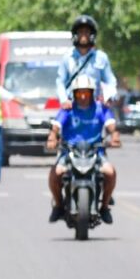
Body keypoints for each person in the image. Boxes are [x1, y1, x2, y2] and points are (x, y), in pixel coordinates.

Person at [46, 74, 121, 223]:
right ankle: (59, 205)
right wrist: (52, 137)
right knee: (56, 173)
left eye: (86, 92)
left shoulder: (100, 108)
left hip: (95, 152)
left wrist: (114, 136)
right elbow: (56, 126)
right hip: (70, 152)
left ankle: (105, 206)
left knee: (110, 172)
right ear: (74, 93)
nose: (82, 96)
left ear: (92, 93)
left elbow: (111, 125)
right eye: (79, 92)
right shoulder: (68, 109)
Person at [56, 15, 117, 107]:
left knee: (110, 121)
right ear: (75, 35)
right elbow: (60, 82)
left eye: (87, 32)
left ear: (92, 35)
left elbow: (111, 81)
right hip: (72, 107)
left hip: (95, 106)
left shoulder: (101, 57)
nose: (83, 35)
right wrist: (64, 100)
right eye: (80, 32)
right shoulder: (67, 57)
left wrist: (109, 97)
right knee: (57, 121)